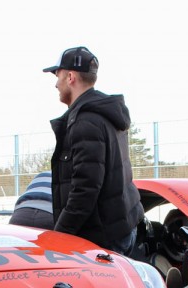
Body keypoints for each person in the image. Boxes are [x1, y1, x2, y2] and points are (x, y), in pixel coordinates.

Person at [43, 46, 142, 255]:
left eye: (57, 75)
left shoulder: (86, 121)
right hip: (121, 228)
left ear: (70, 77)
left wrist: (59, 238)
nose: (55, 84)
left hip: (103, 240)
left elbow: (85, 190)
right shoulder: (105, 113)